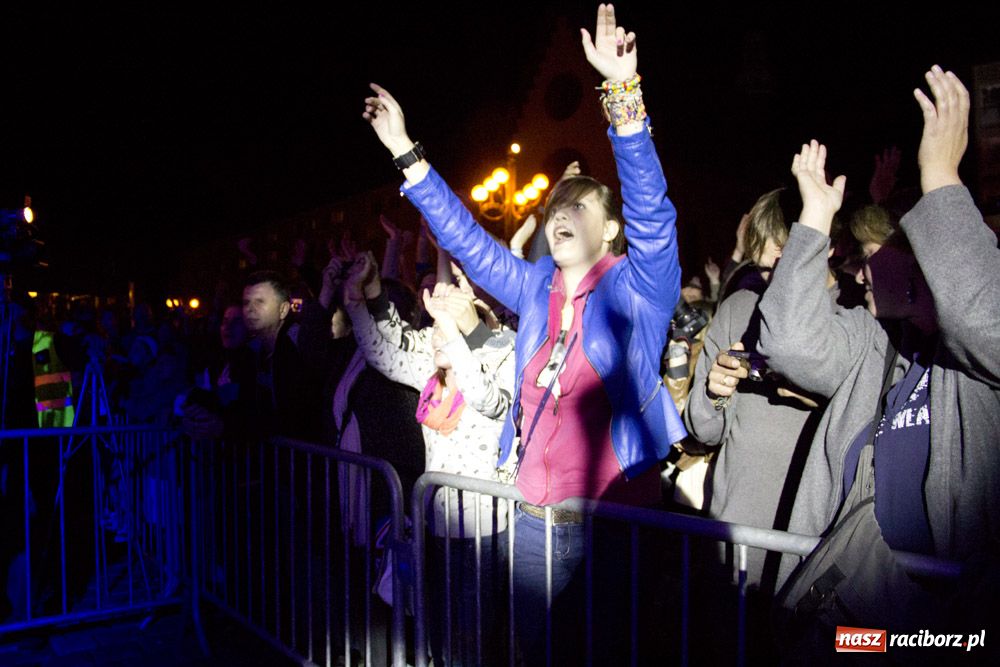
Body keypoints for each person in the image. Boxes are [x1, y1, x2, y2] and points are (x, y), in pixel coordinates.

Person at [363, 5, 685, 662]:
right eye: (557, 206)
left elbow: (652, 209)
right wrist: (407, 152)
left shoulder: (637, 289)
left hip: (611, 525)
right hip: (532, 526)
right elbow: (466, 242)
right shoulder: (535, 287)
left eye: (581, 206)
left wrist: (623, 97)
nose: (562, 212)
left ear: (611, 231)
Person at [756, 68, 1000, 635]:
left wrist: (940, 178)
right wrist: (813, 220)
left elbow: (982, 318)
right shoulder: (874, 343)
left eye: (871, 253)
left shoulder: (973, 364)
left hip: (947, 629)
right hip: (859, 616)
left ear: (917, 258)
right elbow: (788, 343)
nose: (859, 272)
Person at [344, 251, 515, 665]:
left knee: (472, 636)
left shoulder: (502, 358)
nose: (431, 334)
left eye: (443, 325)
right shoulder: (433, 371)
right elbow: (382, 353)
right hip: (435, 524)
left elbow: (487, 401)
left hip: (483, 530)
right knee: (436, 627)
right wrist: (356, 302)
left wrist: (455, 336)